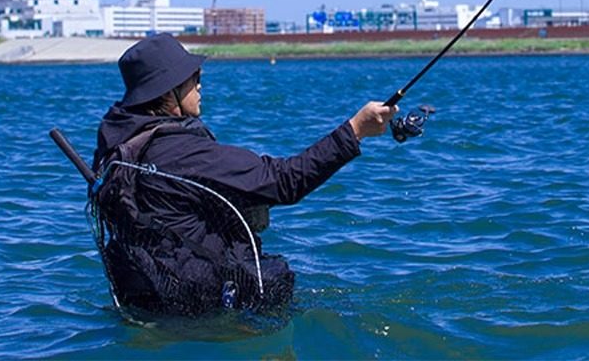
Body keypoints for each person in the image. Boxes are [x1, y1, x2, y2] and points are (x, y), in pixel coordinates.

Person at [91, 32, 396, 316]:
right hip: (205, 310)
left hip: (147, 301)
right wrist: (355, 131)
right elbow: (284, 181)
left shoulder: (117, 146)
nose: (199, 85)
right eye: (192, 78)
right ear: (167, 91)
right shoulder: (182, 152)